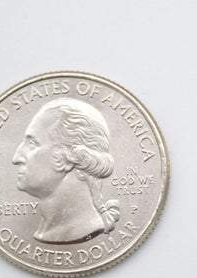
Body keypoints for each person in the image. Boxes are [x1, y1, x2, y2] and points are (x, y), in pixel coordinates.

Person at [12, 98, 120, 243]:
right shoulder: (47, 231)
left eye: (32, 143)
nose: (16, 158)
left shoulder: (80, 230)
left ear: (67, 157)